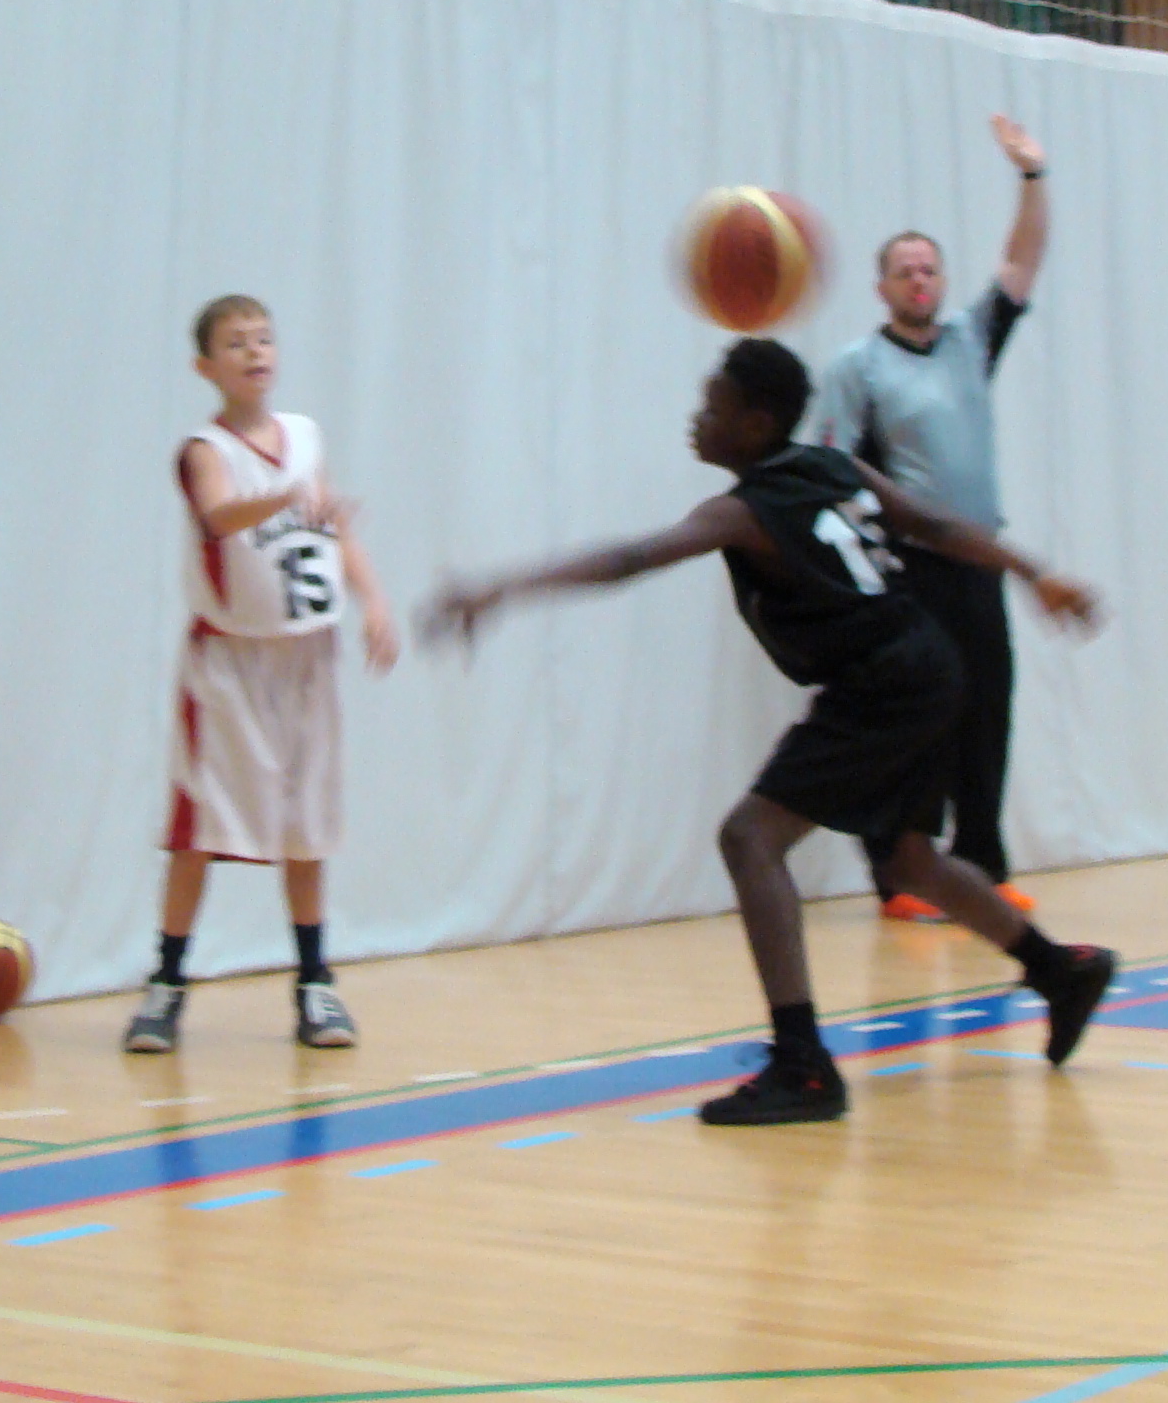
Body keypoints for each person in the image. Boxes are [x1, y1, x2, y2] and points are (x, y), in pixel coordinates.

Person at [423, 338, 1118, 1124]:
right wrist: (1034, 573)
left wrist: (500, 587)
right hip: (929, 660)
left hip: (883, 681)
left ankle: (803, 1065)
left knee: (750, 838)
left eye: (711, 406)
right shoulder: (835, 466)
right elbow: (928, 521)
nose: (696, 418)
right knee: (909, 858)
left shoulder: (744, 511)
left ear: (754, 424)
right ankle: (1059, 970)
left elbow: (630, 559)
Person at [126, 296, 399, 1055]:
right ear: (205, 367)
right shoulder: (203, 449)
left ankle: (315, 985)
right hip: (229, 663)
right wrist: (285, 496)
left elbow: (334, 529)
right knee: (198, 833)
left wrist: (374, 602)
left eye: (264, 339)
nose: (255, 352)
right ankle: (166, 985)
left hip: (308, 657)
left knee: (307, 829)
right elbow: (218, 516)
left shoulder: (305, 435)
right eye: (236, 343)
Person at [811, 114, 1052, 922]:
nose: (919, 280)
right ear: (881, 288)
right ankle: (903, 873)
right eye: (904, 271)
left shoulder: (970, 341)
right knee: (915, 720)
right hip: (909, 572)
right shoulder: (858, 367)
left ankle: (980, 865)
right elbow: (831, 471)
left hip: (977, 561)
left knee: (987, 708)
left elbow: (1021, 261)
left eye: (929, 268)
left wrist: (1032, 177)